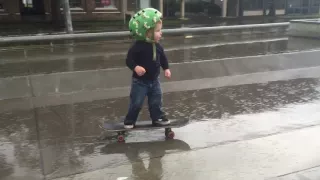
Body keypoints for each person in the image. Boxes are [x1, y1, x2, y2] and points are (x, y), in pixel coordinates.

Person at [124, 8, 171, 129]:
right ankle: (130, 120)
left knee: (156, 101)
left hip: (155, 81)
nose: (161, 33)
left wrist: (166, 68)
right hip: (140, 82)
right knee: (136, 103)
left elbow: (163, 58)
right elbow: (129, 60)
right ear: (147, 33)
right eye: (158, 31)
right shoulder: (137, 47)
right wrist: (136, 67)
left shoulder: (158, 46)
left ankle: (158, 118)